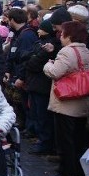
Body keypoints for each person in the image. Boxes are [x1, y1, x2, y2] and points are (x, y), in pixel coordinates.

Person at [43, 21, 89, 176]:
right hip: (82, 102)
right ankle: (79, 174)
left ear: (69, 34)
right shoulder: (86, 51)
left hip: (66, 103)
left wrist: (48, 64)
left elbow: (55, 72)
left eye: (62, 32)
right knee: (78, 141)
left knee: (65, 142)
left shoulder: (67, 52)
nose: (60, 35)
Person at [24, 20, 60, 155]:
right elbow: (25, 57)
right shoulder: (39, 43)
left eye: (41, 28)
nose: (38, 30)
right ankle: (41, 140)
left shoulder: (50, 46)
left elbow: (33, 63)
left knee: (43, 116)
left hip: (42, 85)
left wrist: (34, 57)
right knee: (37, 114)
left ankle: (44, 143)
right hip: (35, 84)